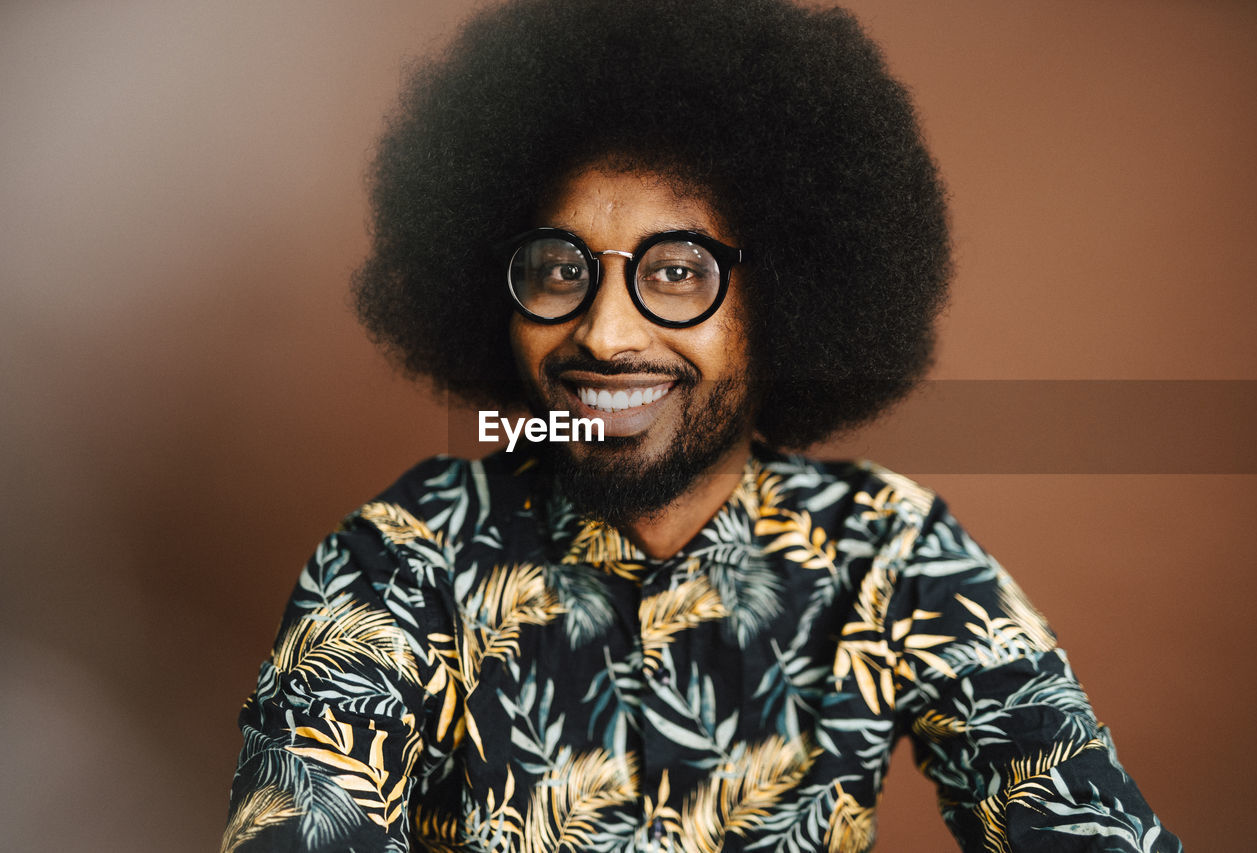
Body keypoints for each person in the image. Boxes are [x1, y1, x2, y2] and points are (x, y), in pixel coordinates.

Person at [223, 0, 1181, 850]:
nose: (602, 331)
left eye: (676, 272)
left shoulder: (887, 554)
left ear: (785, 301)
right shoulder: (406, 560)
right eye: (560, 270)